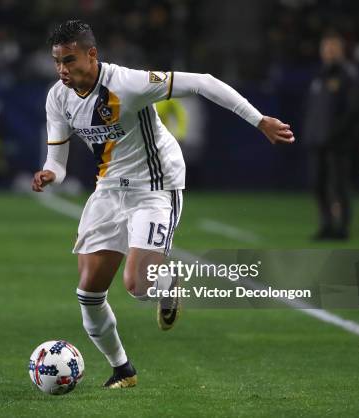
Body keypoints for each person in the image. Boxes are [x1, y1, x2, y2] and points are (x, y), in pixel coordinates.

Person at [31, 20, 294, 389]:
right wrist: (48, 174)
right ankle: (122, 369)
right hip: (108, 189)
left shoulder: (128, 84)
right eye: (57, 61)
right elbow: (56, 160)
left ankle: (168, 285)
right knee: (89, 292)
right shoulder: (57, 97)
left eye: (69, 60)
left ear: (92, 54)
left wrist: (259, 120)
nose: (62, 69)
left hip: (155, 185)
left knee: (138, 285)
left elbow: (203, 81)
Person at [303, 31, 359, 240]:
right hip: (318, 141)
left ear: (341, 50)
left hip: (338, 143)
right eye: (326, 48)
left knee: (338, 186)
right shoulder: (320, 75)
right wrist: (311, 134)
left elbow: (353, 110)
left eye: (332, 48)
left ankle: (342, 227)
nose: (328, 52)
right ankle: (326, 224)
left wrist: (337, 134)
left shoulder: (348, 75)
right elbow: (314, 110)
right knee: (318, 184)